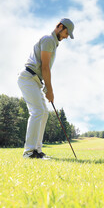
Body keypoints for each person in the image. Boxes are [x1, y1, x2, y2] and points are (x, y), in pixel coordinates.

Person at [17, 18, 74, 159]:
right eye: (67, 33)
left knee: (43, 113)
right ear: (60, 27)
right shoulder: (49, 40)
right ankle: (29, 152)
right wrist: (50, 90)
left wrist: (47, 89)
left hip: (35, 80)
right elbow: (45, 67)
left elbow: (44, 70)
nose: (66, 37)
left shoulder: (53, 43)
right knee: (37, 111)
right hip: (28, 77)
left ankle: (37, 150)